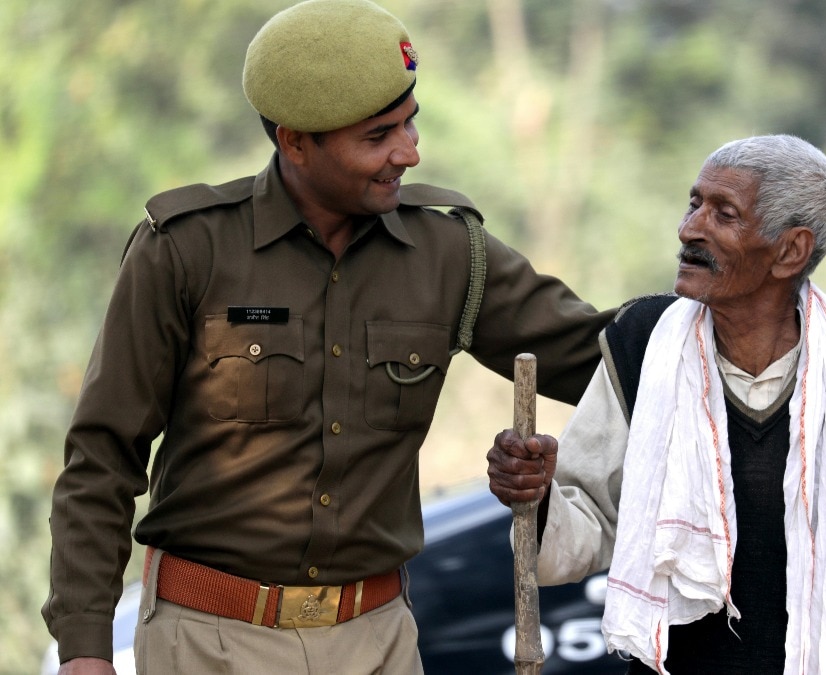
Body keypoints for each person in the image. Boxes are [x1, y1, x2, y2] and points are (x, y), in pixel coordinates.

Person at [41, 1, 619, 673]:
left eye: (410, 123)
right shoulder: (184, 250)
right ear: (294, 142)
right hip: (208, 644)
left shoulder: (450, 252)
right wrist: (85, 649)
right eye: (378, 136)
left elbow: (604, 357)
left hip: (377, 643)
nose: (409, 151)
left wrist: (736, 302)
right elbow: (102, 458)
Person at [487, 135, 826, 674]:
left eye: (724, 214)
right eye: (694, 203)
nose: (689, 228)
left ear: (790, 250)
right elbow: (581, 537)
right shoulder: (643, 346)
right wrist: (536, 500)